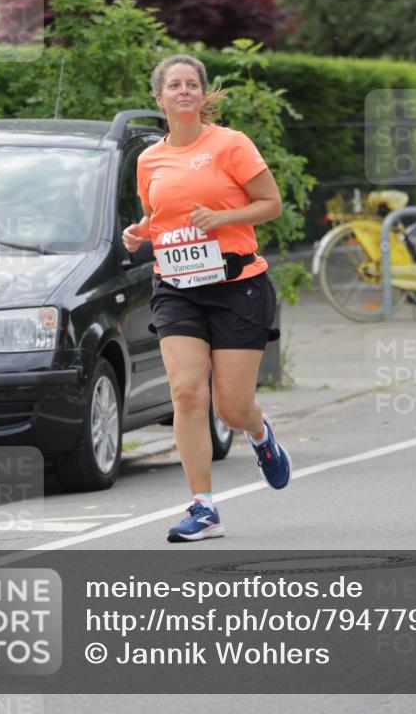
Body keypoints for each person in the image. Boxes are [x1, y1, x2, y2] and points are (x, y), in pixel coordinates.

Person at [122, 54, 291, 541]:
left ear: (203, 93)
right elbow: (161, 216)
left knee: (231, 409)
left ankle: (259, 434)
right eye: (174, 85)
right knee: (186, 393)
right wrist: (140, 231)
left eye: (191, 84)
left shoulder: (230, 144)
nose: (183, 91)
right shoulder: (148, 159)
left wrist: (222, 219)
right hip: (176, 287)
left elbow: (271, 204)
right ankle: (203, 507)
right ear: (159, 98)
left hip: (237, 286)